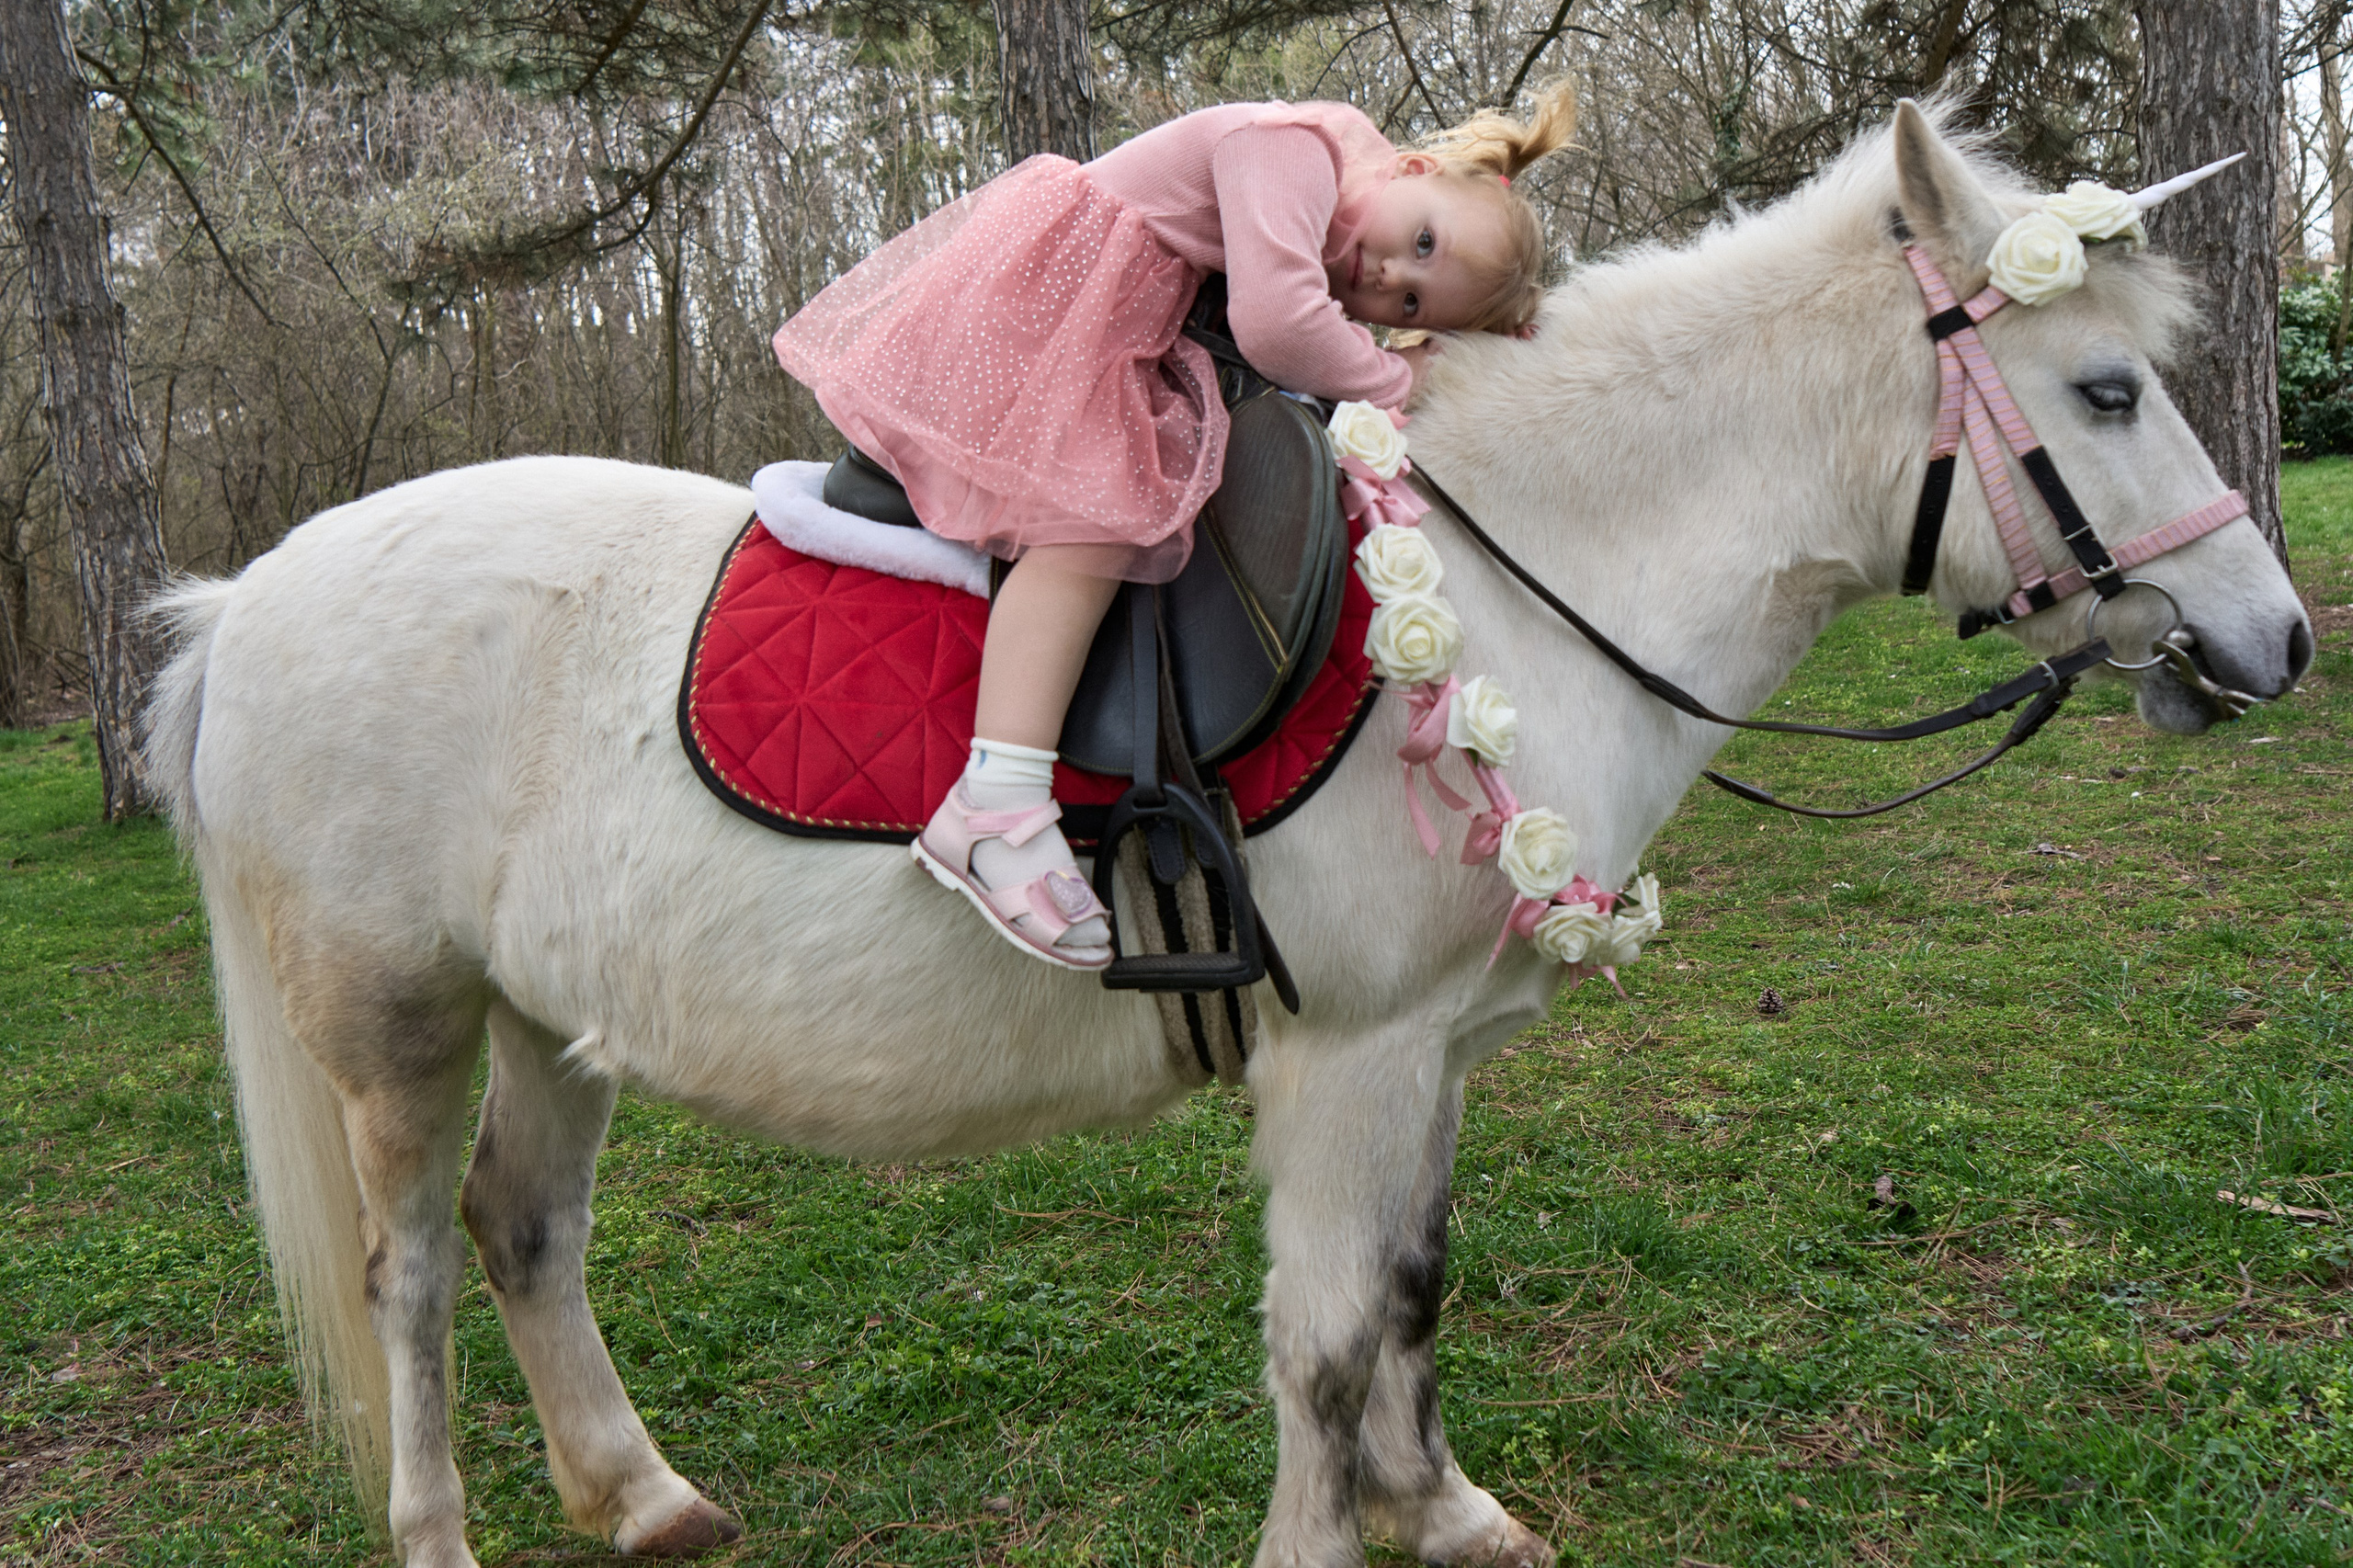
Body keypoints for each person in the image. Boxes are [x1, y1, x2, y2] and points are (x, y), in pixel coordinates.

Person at [773, 86, 1576, 971]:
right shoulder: (1292, 151)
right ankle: (996, 802)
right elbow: (1276, 324)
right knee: (1098, 521)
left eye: (1415, 307)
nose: (1391, 281)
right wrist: (1400, 380)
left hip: (1096, 328)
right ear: (1413, 169)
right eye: (1421, 241)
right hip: (1040, 322)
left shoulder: (1316, 198)